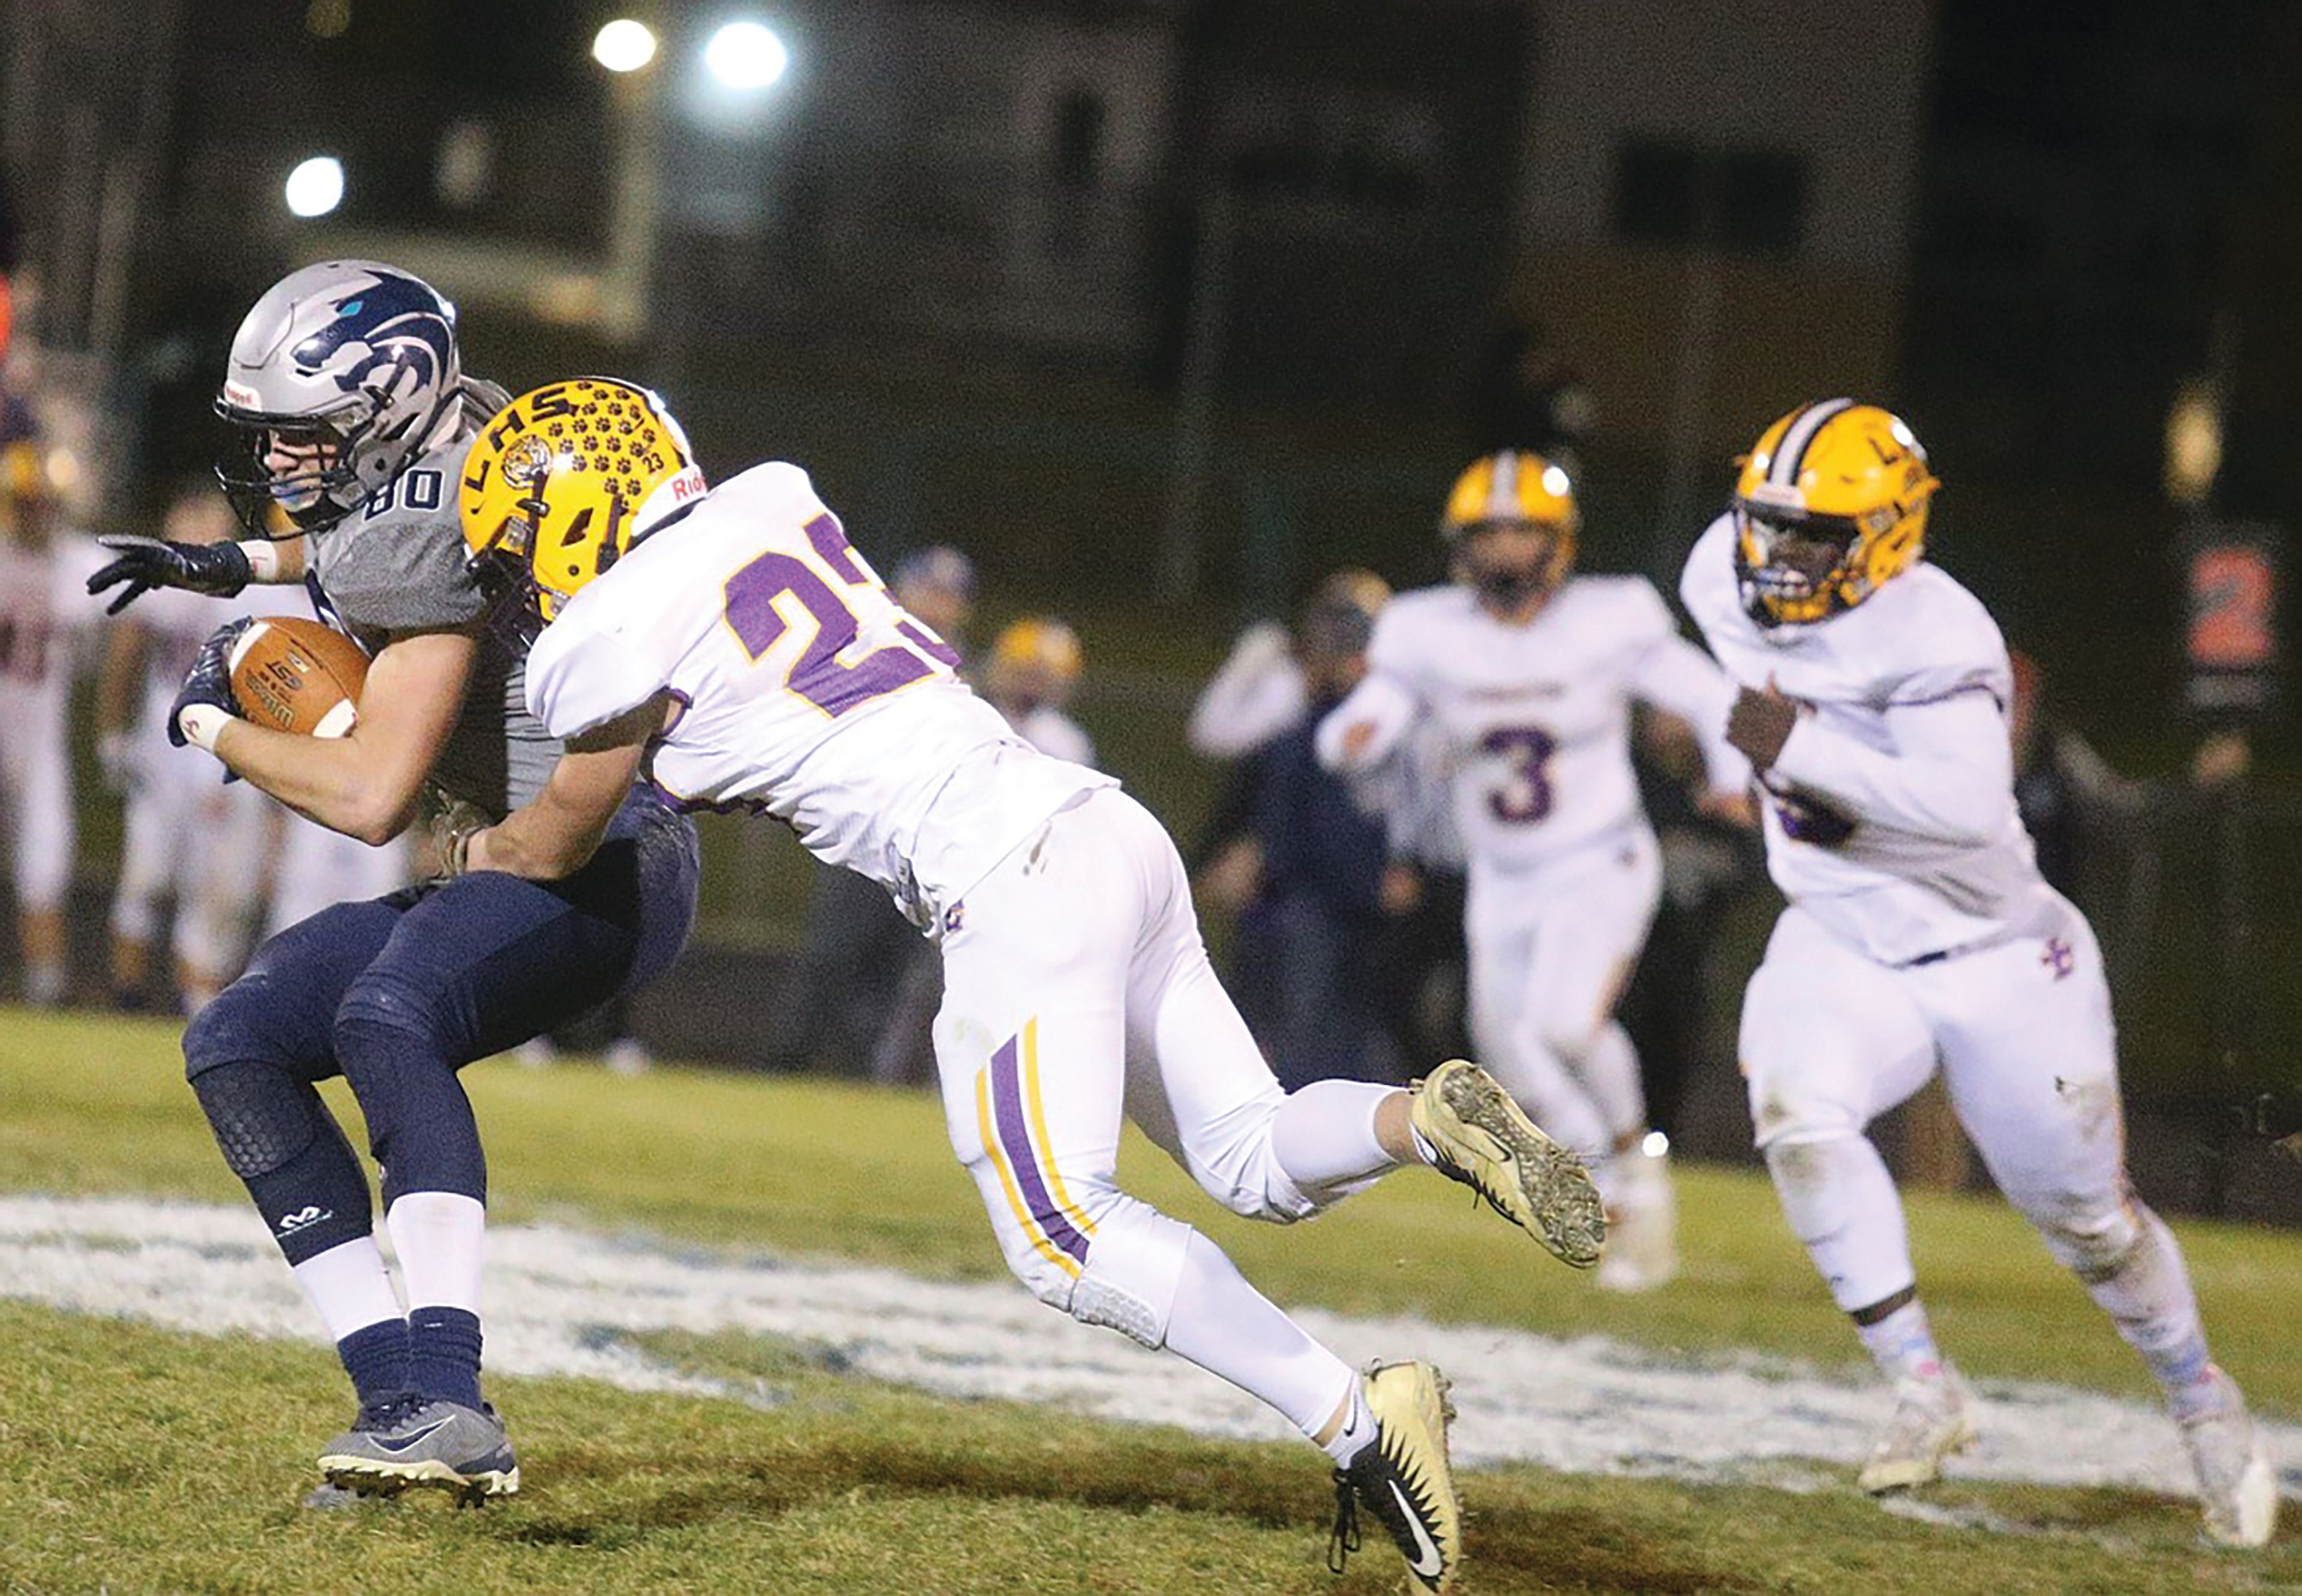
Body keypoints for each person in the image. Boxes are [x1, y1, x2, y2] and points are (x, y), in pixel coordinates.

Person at [451, 377, 1612, 1592]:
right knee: (1253, 1154)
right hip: (1102, 828)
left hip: (1008, 878)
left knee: (1062, 1234)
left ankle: (1362, 1421)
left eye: (523, 539)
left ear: (574, 506)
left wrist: (461, 848)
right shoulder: (772, 504)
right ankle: (1421, 1118)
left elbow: (552, 840)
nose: (524, 574)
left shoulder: (607, 635)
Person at [85, 268, 700, 1506]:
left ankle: (449, 1393)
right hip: (539, 842)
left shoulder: (432, 527)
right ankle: (396, 1406)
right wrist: (235, 562)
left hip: (599, 848)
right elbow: (369, 523)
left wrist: (210, 722)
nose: (280, 452)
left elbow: (371, 798)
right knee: (240, 1040)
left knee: (386, 1013)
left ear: (387, 402)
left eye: (301, 429)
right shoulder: (452, 443)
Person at [1679, 397, 2275, 1546]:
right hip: (1843, 930)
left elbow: (1960, 808)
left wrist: (1797, 748)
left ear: (1892, 532)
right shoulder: (1720, 569)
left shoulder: (1941, 632)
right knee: (1798, 1114)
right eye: (1771, 525)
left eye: (1817, 536)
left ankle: (2204, 1398)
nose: (1782, 556)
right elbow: (1713, 671)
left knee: (2091, 1223)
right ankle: (1923, 1387)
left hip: (1997, 955)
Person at [1318, 451, 1750, 1292]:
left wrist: (1732, 779)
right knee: (1505, 1052)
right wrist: (1350, 735)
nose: (1507, 551)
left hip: (1600, 856)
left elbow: (1704, 693)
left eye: (1524, 532)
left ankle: (1639, 1176)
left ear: (1560, 542)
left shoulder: (1610, 616)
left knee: (1562, 1024)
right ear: (1460, 545)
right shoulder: (1426, 628)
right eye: (1491, 533)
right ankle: (1613, 1180)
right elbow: (1375, 712)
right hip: (1503, 873)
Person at [97, 483, 296, 1012]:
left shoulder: (253, 592)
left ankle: (198, 998)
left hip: (219, 750)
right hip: (162, 750)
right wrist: (114, 738)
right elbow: (126, 654)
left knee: (223, 885)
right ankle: (129, 1002)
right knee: (148, 877)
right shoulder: (170, 590)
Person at [0, 384, 100, 1005]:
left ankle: (43, 988)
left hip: (41, 735)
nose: (38, 514)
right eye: (27, 504)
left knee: (46, 861)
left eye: (43, 504)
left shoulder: (79, 563)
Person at [980, 616, 1093, 767]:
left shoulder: (1064, 741)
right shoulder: (971, 715)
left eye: (1042, 679)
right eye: (1023, 673)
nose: (1029, 687)